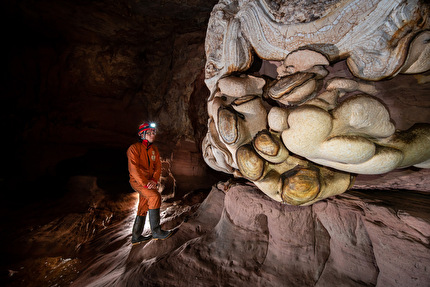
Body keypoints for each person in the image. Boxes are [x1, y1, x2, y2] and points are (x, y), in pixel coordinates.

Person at [127, 122, 173, 245]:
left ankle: (136, 236)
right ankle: (156, 232)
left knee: (143, 205)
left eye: (154, 132)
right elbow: (134, 169)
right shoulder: (134, 148)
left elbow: (158, 166)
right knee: (154, 196)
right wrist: (145, 183)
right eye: (149, 132)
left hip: (150, 182)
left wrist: (153, 180)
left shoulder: (154, 150)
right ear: (142, 134)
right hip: (137, 181)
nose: (153, 134)